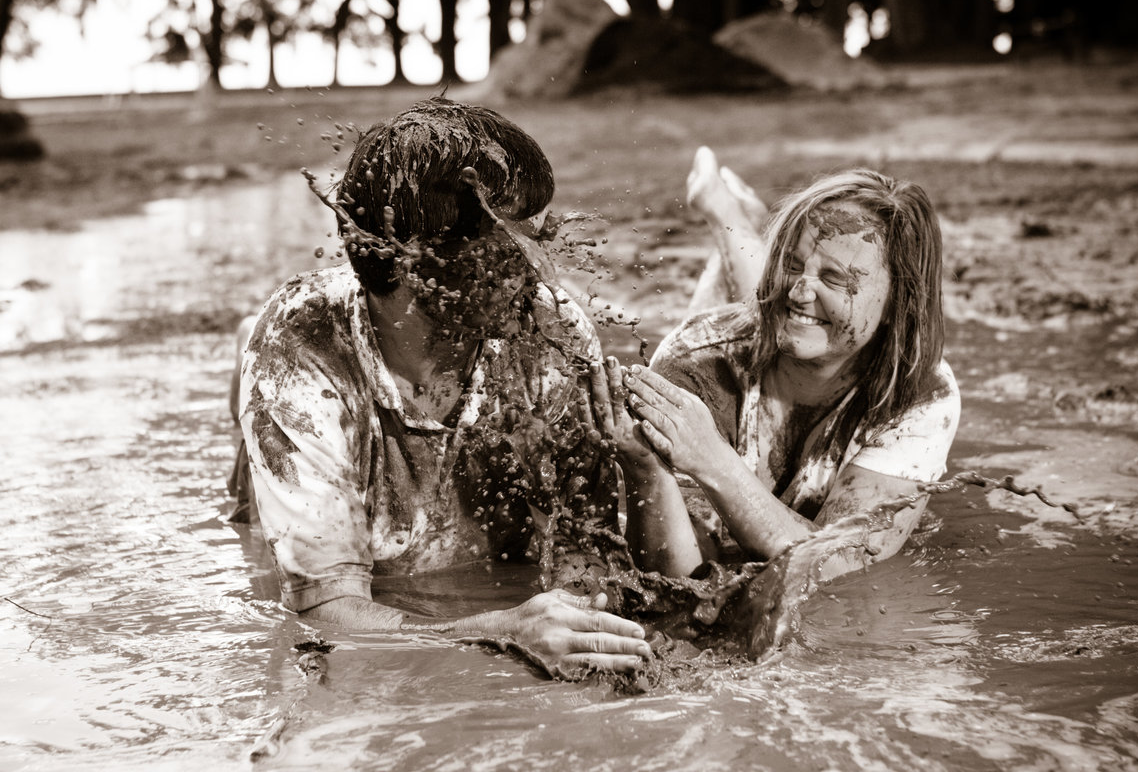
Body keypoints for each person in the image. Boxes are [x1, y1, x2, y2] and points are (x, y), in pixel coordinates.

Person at [230, 98, 650, 676]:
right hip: (317, 418)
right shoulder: (304, 345)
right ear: (408, 260)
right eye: (507, 246)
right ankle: (245, 388)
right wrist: (498, 631)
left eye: (539, 237)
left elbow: (588, 548)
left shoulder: (549, 326)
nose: (539, 269)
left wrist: (582, 626)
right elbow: (322, 610)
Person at [595, 149, 960, 582]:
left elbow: (844, 562)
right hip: (730, 348)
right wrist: (646, 470)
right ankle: (732, 217)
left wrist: (712, 458)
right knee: (762, 314)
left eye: (835, 278)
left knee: (788, 312)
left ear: (898, 303)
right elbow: (681, 581)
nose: (801, 289)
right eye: (788, 263)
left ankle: (725, 211)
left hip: (762, 353)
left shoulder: (919, 389)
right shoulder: (697, 359)